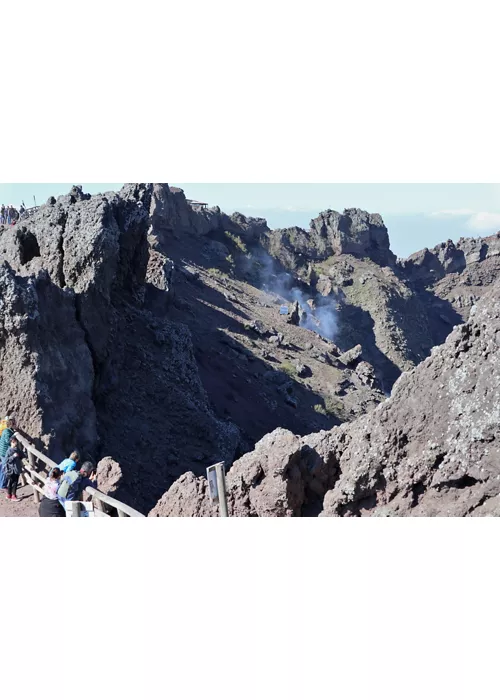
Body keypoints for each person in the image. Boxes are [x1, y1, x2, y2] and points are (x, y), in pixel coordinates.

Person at [3, 436, 24, 502]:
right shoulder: (9, 451)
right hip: (11, 470)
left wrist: (22, 456)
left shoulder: (17, 449)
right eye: (13, 442)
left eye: (15, 442)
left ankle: (9, 495)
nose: (15, 443)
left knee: (13, 482)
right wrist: (13, 456)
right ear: (10, 443)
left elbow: (22, 455)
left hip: (16, 469)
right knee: (13, 483)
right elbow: (6, 460)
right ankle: (13, 496)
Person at [0, 417, 16, 490]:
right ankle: (3, 485)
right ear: (12, 424)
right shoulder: (7, 432)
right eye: (15, 423)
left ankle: (2, 483)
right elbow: (8, 441)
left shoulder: (8, 430)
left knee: (3, 467)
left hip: (3, 451)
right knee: (5, 468)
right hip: (4, 452)